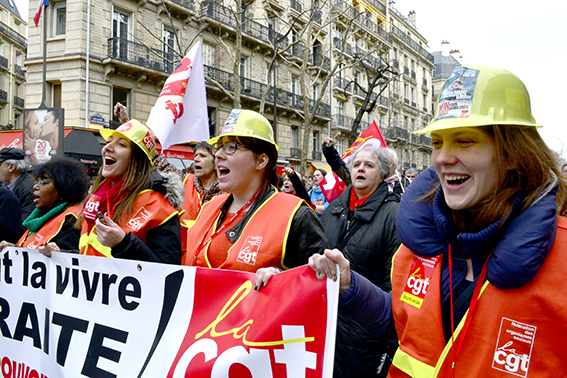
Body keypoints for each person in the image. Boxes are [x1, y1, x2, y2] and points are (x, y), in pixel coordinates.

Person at [309, 65, 567, 377]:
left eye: (464, 141)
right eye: (437, 143)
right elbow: (403, 325)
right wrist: (351, 287)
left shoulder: (561, 258)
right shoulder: (417, 246)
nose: (443, 157)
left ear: (512, 154)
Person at [184, 109, 327, 274]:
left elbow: (321, 286)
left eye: (231, 147)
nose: (219, 155)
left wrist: (281, 279)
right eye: (220, 147)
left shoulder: (296, 216)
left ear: (261, 161)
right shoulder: (208, 208)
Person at [42, 120, 183, 263]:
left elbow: (168, 273)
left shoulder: (157, 207)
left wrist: (123, 244)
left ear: (138, 160)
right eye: (108, 142)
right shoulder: (96, 199)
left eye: (121, 144)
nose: (107, 147)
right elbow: (91, 254)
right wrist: (62, 254)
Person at [321, 145, 401, 378]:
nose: (361, 169)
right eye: (356, 165)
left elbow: (393, 287)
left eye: (369, 165)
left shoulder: (393, 214)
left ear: (383, 174)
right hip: (326, 329)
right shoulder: (334, 209)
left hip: (366, 338)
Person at [0, 158, 90, 253]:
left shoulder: (74, 221)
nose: (35, 187)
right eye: (36, 182)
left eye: (43, 183)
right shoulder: (39, 219)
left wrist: (59, 253)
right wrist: (14, 250)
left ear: (64, 188)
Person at [180, 141, 222, 250]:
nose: (196, 159)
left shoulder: (228, 192)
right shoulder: (185, 181)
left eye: (203, 156)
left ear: (216, 163)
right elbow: (162, 166)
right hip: (182, 256)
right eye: (195, 156)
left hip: (208, 257)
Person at [0, 147, 35, 222]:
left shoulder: (28, 189)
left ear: (11, 167)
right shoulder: (4, 184)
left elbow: (24, 222)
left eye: (0, 165)